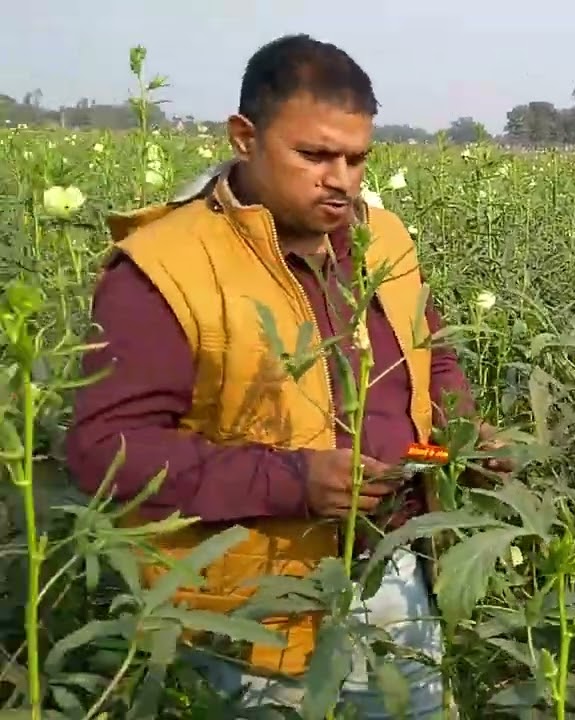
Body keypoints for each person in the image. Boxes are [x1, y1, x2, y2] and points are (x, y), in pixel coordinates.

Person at [65, 34, 507, 718]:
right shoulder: (162, 266)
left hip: (399, 575)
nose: (341, 180)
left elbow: (431, 357)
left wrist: (463, 435)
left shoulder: (382, 238)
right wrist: (294, 480)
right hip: (251, 613)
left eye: (356, 159)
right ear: (244, 137)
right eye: (315, 156)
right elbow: (109, 449)